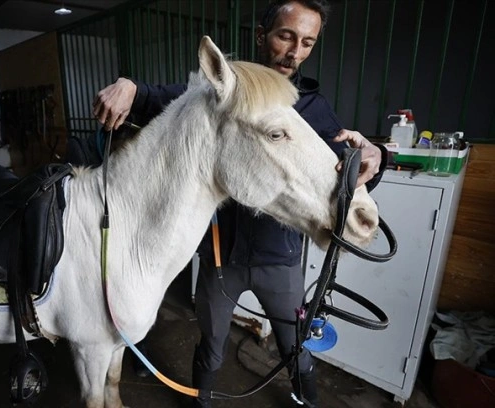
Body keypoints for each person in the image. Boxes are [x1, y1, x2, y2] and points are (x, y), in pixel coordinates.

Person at [91, 1, 388, 407]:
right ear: (261, 35)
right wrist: (131, 87)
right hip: (221, 256)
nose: (294, 51)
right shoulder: (232, 90)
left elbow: (342, 170)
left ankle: (309, 402)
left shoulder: (315, 108)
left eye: (307, 42)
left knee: (294, 347)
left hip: (278, 258)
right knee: (211, 340)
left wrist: (377, 153)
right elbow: (172, 99)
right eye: (286, 36)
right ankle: (202, 401)